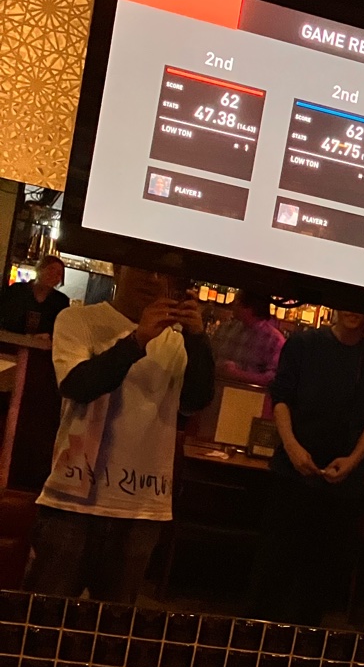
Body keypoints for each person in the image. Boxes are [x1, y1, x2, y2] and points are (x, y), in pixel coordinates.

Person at [25, 267, 215, 603]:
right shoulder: (77, 319)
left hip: (142, 506)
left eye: (161, 273)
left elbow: (195, 400)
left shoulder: (177, 339)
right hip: (72, 499)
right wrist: (136, 341)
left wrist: (198, 339)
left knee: (115, 623)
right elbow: (78, 386)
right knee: (46, 615)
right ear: (117, 269)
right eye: (142, 266)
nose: (153, 278)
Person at [250, 309, 364, 624]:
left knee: (318, 575)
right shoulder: (303, 344)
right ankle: (257, 636)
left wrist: (353, 461)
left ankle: (303, 643)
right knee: (273, 564)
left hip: (341, 485)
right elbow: (281, 398)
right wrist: (292, 447)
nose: (353, 310)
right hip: (291, 473)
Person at [209, 289, 284, 386]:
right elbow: (207, 359)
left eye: (237, 301)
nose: (232, 304)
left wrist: (236, 374)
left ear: (249, 308)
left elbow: (273, 379)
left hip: (248, 394)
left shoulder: (274, 340)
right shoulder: (225, 328)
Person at [0, 256, 69, 338]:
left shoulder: (61, 301)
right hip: (8, 341)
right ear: (39, 269)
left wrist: (49, 336)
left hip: (42, 345)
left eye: (58, 273)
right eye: (50, 269)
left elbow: (63, 330)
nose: (53, 275)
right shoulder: (16, 290)